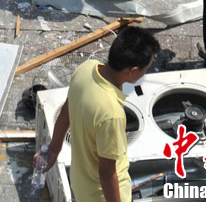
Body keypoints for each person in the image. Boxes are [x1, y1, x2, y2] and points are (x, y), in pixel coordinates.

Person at [46, 28, 160, 202]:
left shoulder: (86, 69)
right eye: (146, 69)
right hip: (101, 196)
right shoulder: (112, 115)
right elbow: (107, 173)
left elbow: (66, 111)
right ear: (133, 71)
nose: (146, 72)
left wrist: (54, 149)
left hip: (80, 182)